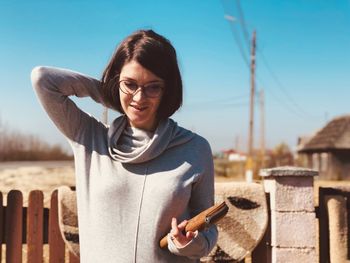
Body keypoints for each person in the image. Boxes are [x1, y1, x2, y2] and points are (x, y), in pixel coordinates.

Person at [31, 29, 218, 263]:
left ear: (167, 89)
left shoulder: (195, 148)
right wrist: (113, 92)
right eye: (130, 84)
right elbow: (43, 79)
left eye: (153, 87)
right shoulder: (89, 138)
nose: (139, 98)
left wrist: (187, 243)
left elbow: (209, 234)